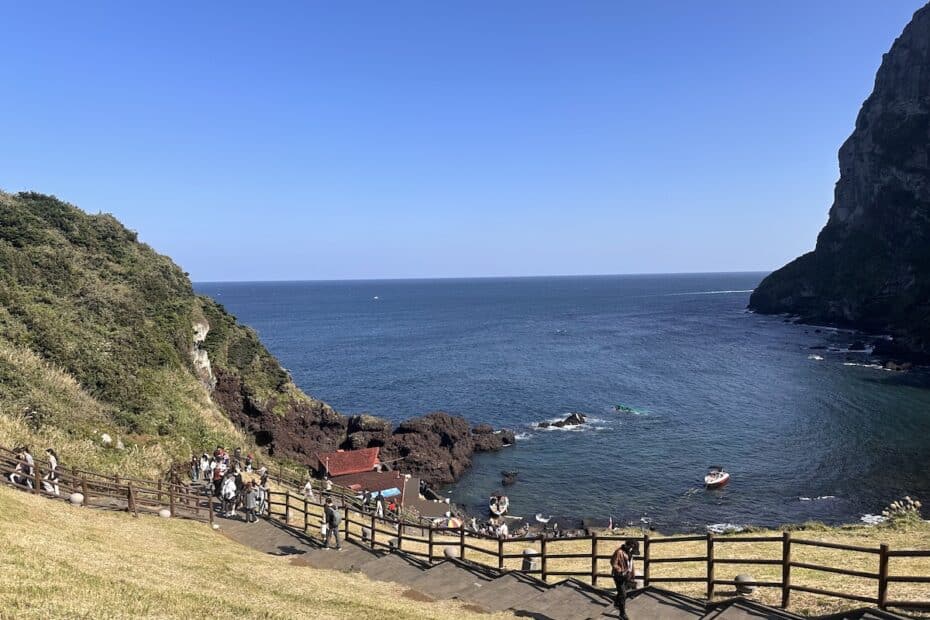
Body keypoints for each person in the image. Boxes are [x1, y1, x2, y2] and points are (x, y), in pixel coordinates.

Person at [610, 540, 636, 619]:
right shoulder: (619, 552)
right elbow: (613, 563)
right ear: (628, 545)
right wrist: (620, 571)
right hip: (619, 576)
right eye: (631, 547)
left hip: (626, 576)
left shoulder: (629, 553)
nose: (632, 549)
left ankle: (617, 604)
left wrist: (632, 574)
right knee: (623, 594)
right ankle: (622, 613)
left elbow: (631, 564)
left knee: (622, 591)